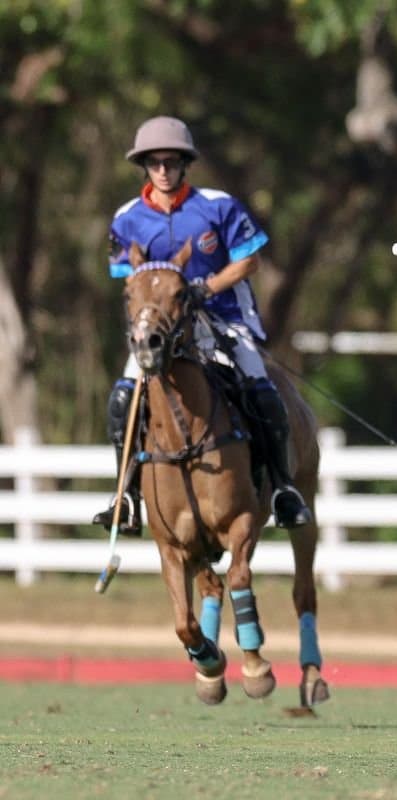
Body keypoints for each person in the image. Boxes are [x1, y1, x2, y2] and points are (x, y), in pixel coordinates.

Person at [93, 115, 312, 535]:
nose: (162, 170)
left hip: (223, 318)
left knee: (260, 387)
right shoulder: (127, 218)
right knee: (124, 397)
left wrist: (205, 288)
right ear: (144, 166)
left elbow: (250, 260)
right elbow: (129, 281)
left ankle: (283, 488)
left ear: (184, 164)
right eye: (154, 162)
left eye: (170, 161)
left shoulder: (217, 205)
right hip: (162, 330)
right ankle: (126, 494)